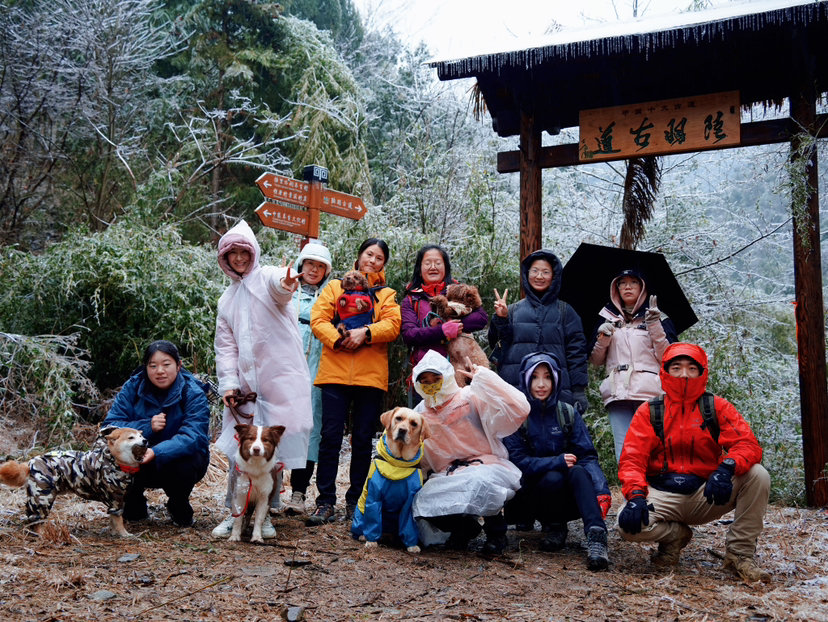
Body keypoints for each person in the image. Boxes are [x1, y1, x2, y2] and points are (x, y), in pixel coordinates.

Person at [616, 342, 771, 583]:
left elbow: (748, 445)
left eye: (692, 368)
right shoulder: (649, 410)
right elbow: (632, 460)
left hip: (705, 494)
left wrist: (727, 467)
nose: (684, 374)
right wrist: (636, 497)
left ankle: (739, 556)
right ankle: (675, 536)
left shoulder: (716, 407)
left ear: (702, 372)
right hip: (661, 494)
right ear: (665, 372)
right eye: (676, 367)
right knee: (626, 526)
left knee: (758, 475)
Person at [211, 220, 313, 539]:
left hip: (280, 381)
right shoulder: (226, 300)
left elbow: (279, 288)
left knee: (273, 452)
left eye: (245, 252)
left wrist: (286, 284)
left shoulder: (266, 275)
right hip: (247, 389)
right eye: (233, 253)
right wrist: (228, 384)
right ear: (225, 258)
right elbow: (225, 346)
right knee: (239, 451)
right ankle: (235, 511)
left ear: (252, 253)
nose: (239, 258)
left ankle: (265, 514)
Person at [306, 238, 401, 526]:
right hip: (334, 372)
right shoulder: (335, 287)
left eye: (379, 258)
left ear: (384, 263)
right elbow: (318, 318)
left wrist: (365, 333)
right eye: (368, 254)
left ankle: (355, 501)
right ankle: (325, 502)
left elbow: (393, 324)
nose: (372, 261)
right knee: (330, 438)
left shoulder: (386, 294)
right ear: (359, 257)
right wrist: (339, 338)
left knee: (361, 440)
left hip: (370, 377)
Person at [411, 350, 529, 555]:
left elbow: (518, 407)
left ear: (446, 376)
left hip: (485, 465)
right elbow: (417, 452)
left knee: (480, 483)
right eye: (425, 381)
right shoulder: (420, 412)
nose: (431, 384)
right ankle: (464, 528)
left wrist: (485, 379)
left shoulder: (469, 396)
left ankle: (496, 534)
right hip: (448, 473)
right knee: (422, 503)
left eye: (436, 378)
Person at [503, 352, 610, 570]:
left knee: (579, 471)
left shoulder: (567, 413)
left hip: (568, 496)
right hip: (531, 496)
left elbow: (588, 455)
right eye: (534, 377)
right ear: (525, 379)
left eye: (547, 377)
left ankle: (597, 538)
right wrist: (556, 461)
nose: (541, 384)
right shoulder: (516, 417)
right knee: (553, 476)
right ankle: (555, 528)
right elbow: (518, 461)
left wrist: (601, 488)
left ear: (556, 380)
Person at [103, 340, 210, 527]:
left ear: (178, 365)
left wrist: (157, 452)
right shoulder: (133, 387)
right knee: (116, 459)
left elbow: (195, 436)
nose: (160, 371)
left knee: (187, 463)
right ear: (146, 367)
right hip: (138, 458)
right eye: (153, 366)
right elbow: (110, 427)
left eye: (166, 364)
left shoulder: (192, 391)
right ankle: (133, 504)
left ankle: (178, 504)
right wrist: (147, 427)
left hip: (176, 460)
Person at [588, 269, 678, 461]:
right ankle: (631, 490)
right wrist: (603, 338)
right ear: (615, 289)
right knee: (624, 450)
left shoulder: (659, 317)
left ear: (643, 287)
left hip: (649, 393)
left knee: (651, 446)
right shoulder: (607, 318)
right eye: (622, 283)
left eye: (633, 283)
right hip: (617, 392)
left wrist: (654, 325)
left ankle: (653, 490)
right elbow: (595, 361)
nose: (627, 287)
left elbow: (669, 358)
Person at [488, 249, 589, 413]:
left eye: (545, 272)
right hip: (515, 391)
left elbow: (577, 353)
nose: (539, 276)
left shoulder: (566, 312)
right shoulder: (512, 310)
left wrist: (578, 390)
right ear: (526, 274)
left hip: (558, 392)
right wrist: (501, 319)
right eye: (535, 271)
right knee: (515, 438)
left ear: (554, 277)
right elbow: (497, 345)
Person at [400, 244, 489, 407]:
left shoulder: (458, 291)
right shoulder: (411, 300)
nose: (433, 267)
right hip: (428, 375)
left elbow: (481, 318)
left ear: (446, 267)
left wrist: (456, 325)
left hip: (460, 373)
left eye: (438, 263)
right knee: (429, 429)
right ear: (420, 269)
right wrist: (442, 331)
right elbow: (409, 335)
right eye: (427, 263)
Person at [283, 243, 334, 515]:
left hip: (317, 367)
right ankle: (273, 491)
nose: (313, 270)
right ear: (300, 265)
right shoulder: (286, 290)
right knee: (278, 425)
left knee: (309, 429)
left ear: (326, 270)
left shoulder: (330, 296)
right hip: (284, 365)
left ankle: (299, 493)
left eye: (320, 265)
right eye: (309, 264)